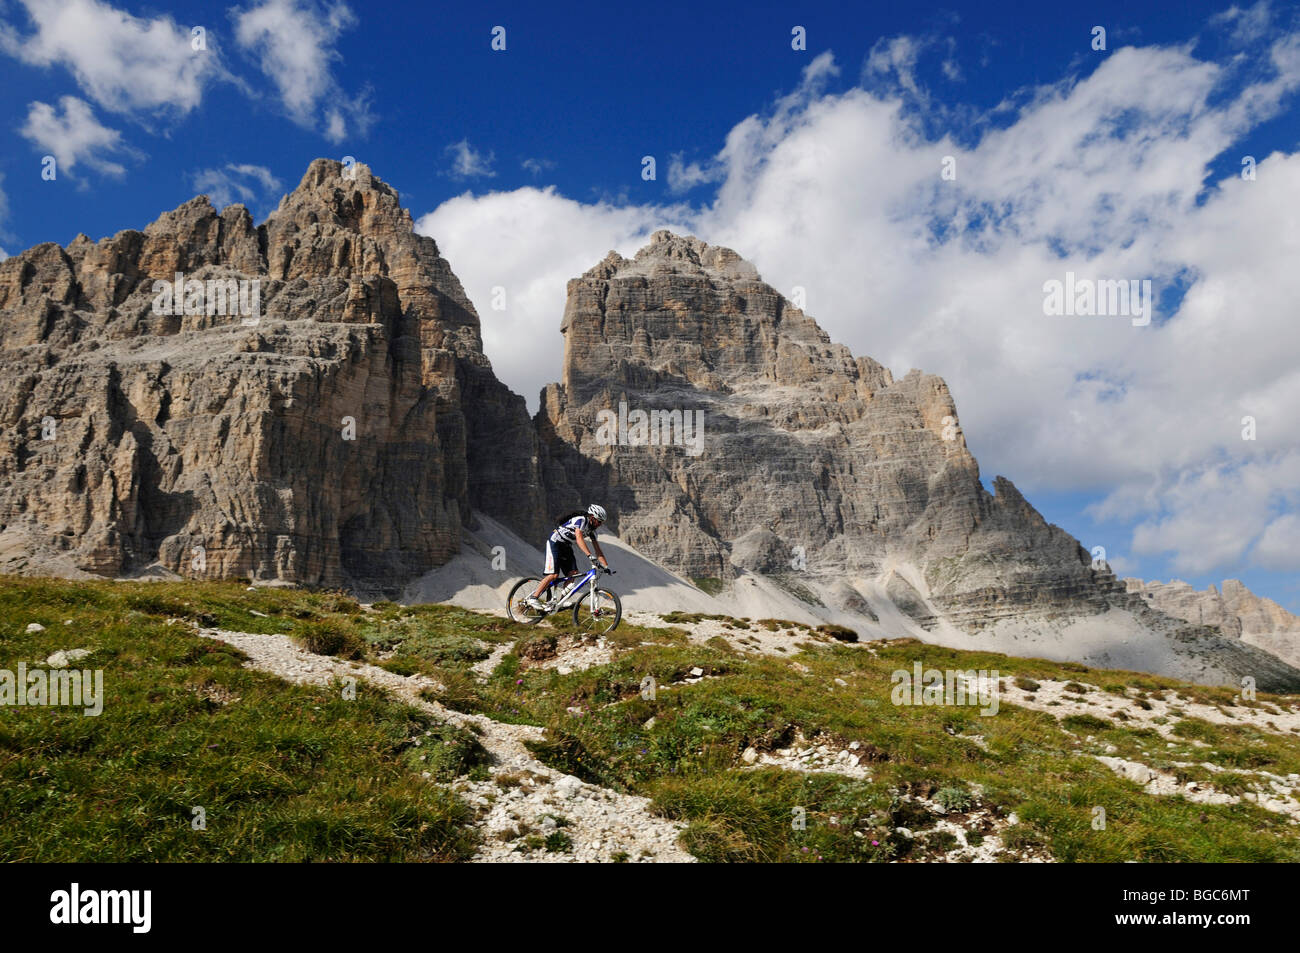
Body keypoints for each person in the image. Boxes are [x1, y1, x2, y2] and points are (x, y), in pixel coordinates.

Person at [526, 504, 610, 609]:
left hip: (566, 546)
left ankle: (560, 602)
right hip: (555, 542)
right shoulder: (581, 520)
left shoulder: (592, 531)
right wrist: (589, 556)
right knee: (554, 575)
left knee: (573, 573)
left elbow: (598, 551)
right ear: (592, 517)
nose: (600, 524)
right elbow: (579, 539)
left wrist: (606, 566)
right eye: (599, 521)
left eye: (602, 522)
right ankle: (533, 598)